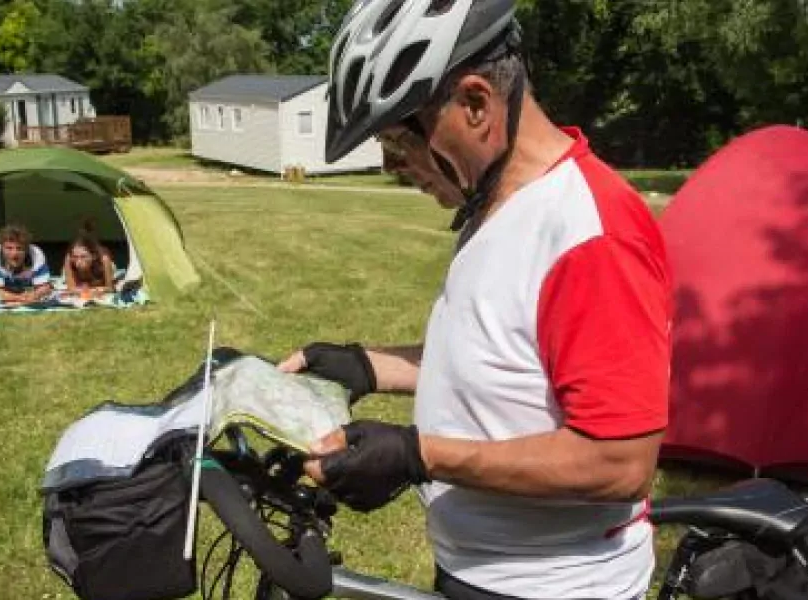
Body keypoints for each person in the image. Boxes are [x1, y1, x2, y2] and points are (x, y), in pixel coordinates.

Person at [278, 1, 674, 598]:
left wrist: (419, 457)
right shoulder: (498, 205)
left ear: (475, 103)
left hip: (552, 589)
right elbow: (504, 358)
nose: (394, 166)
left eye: (398, 140)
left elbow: (619, 461)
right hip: (477, 570)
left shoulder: (589, 233)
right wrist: (366, 364)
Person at [0, 224, 52, 305]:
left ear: (27, 249)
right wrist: (21, 298)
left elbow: (44, 287)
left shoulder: (36, 253)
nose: (14, 254)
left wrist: (35, 295)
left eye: (19, 248)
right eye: (9, 248)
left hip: (26, 294)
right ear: (1, 247)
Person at [62, 225, 114, 296]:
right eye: (75, 257)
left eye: (83, 257)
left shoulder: (104, 260)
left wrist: (90, 291)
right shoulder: (69, 259)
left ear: (93, 256)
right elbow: (71, 288)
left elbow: (110, 288)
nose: (78, 262)